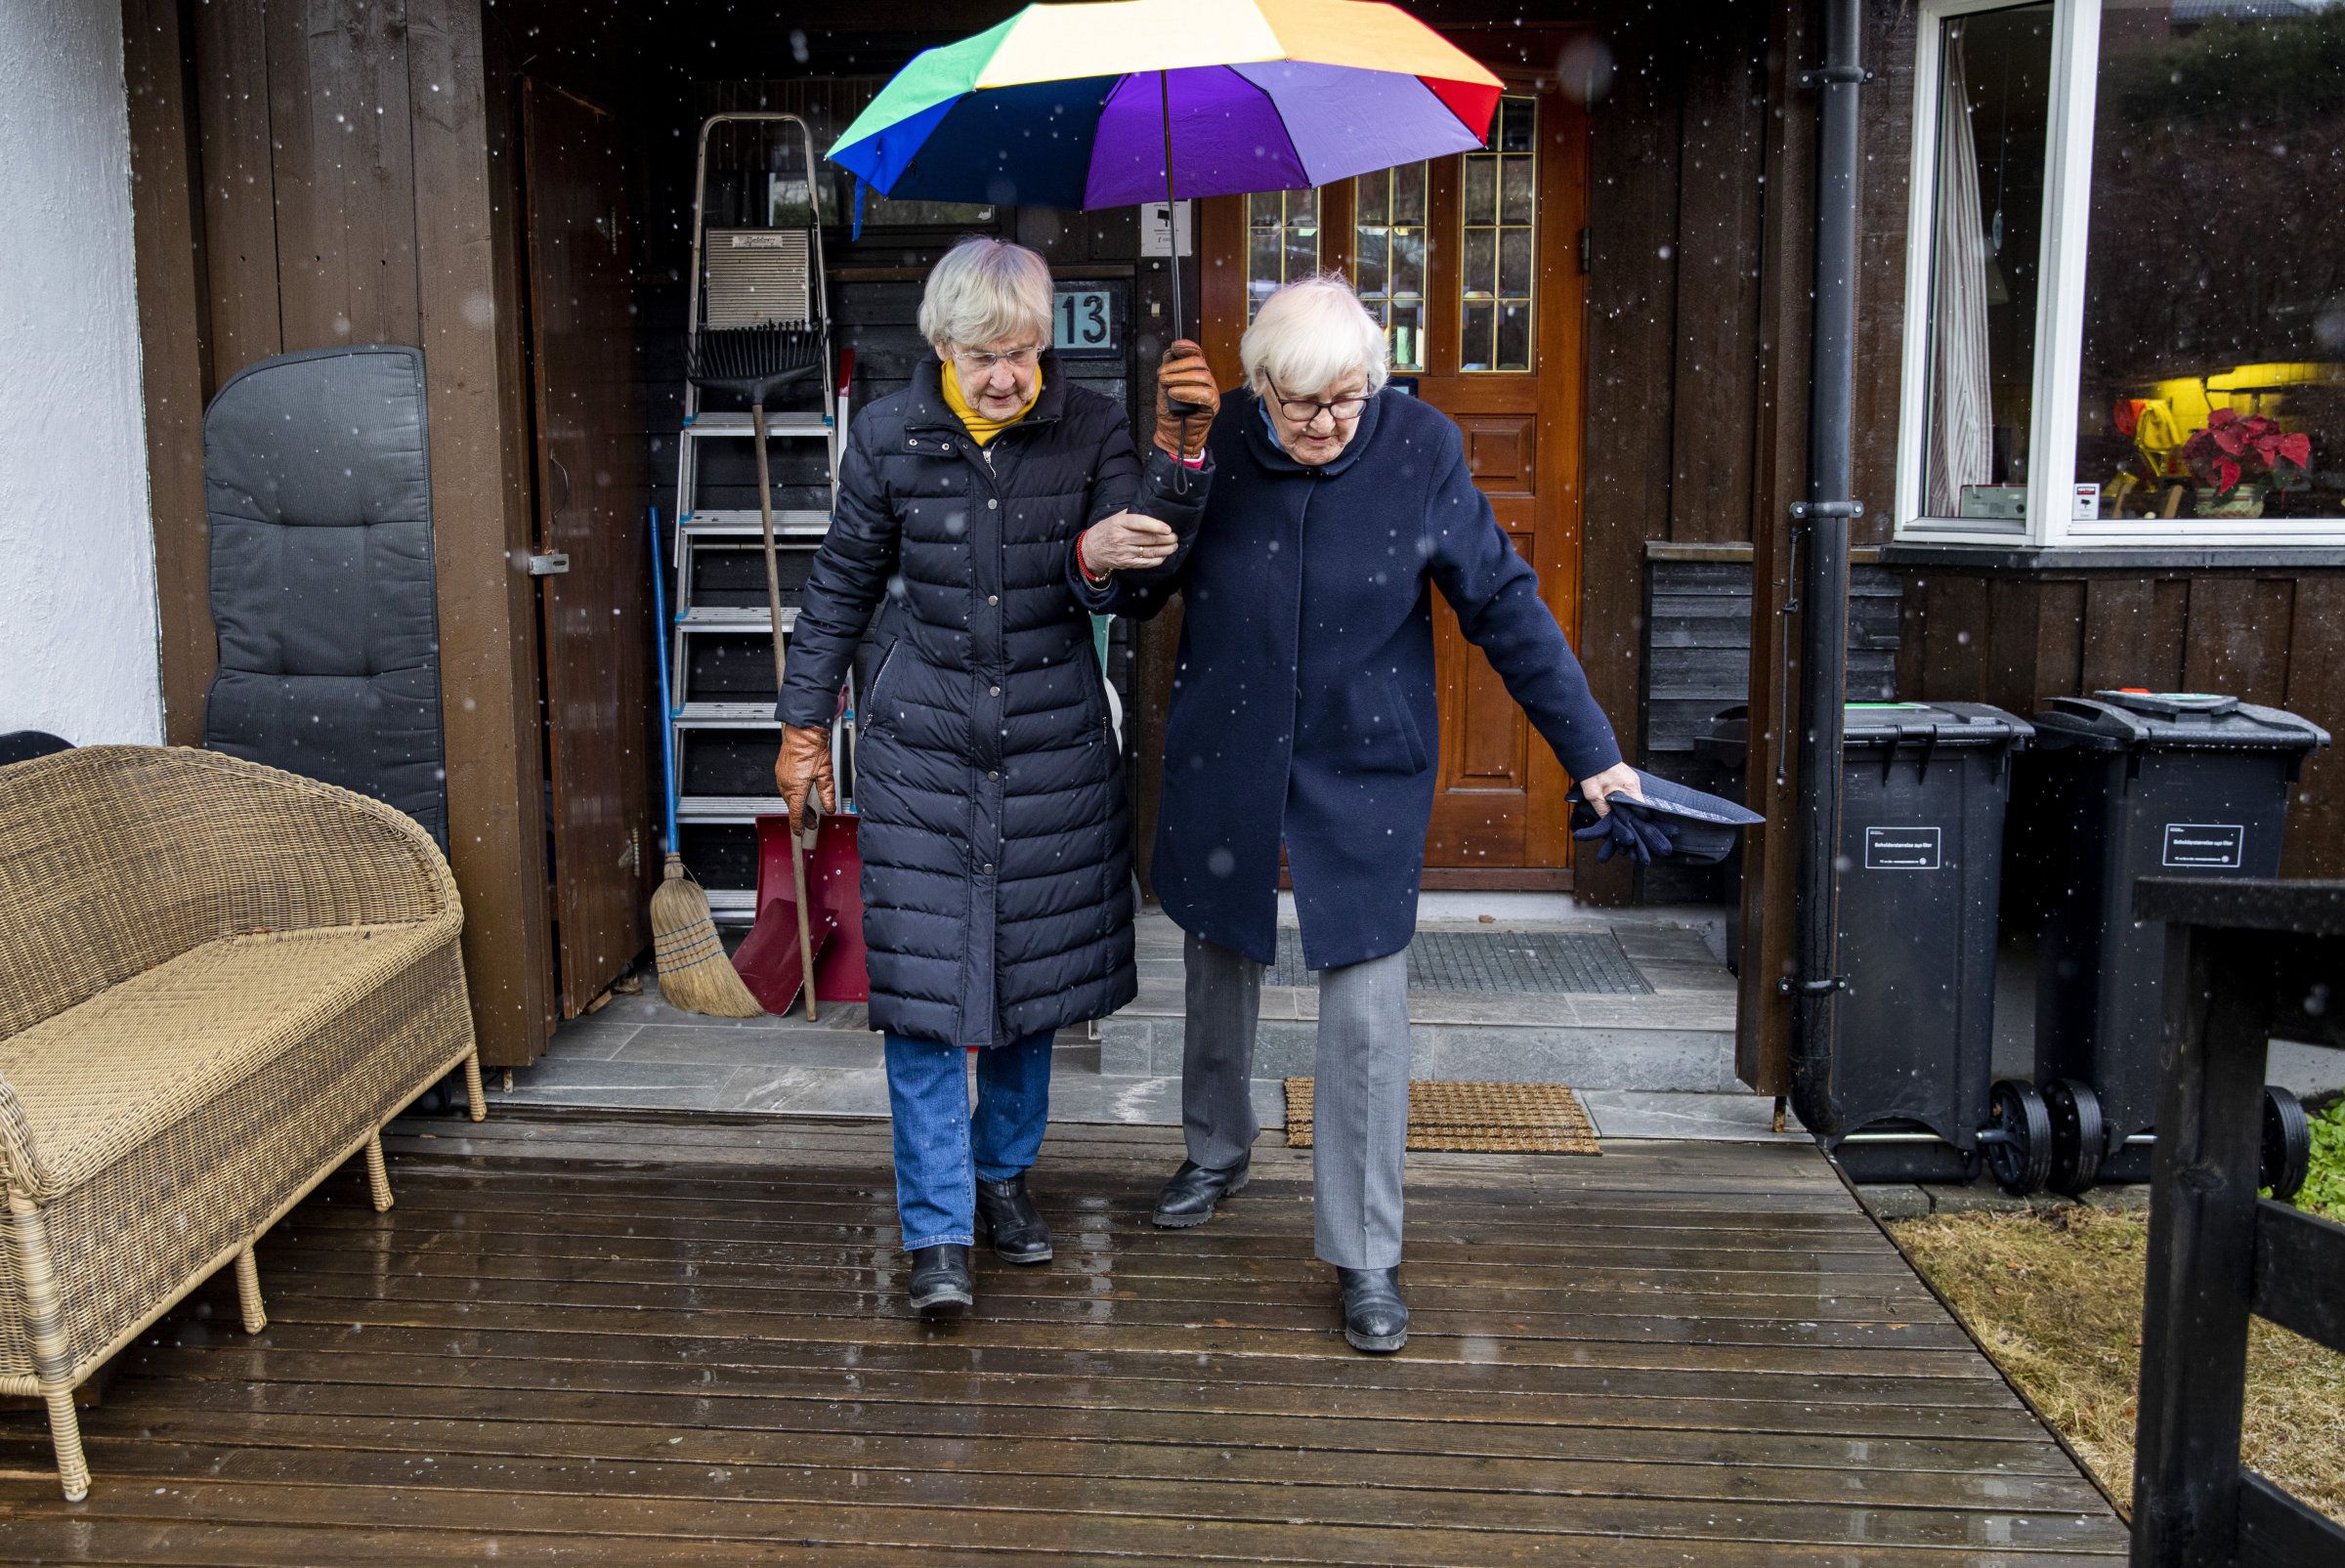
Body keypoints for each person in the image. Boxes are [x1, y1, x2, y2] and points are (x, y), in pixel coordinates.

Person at [1074, 275, 1642, 1353]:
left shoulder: (1420, 445)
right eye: (1300, 407)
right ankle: (1214, 1149)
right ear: (1261, 391)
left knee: (1369, 1005)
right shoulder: (1221, 433)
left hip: (1363, 756)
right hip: (1229, 740)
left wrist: (1595, 757)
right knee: (1218, 949)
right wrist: (1178, 468)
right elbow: (1136, 597)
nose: (1326, 425)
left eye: (1346, 401)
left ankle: (1366, 1251)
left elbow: (1504, 606)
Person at [773, 236, 1218, 1320]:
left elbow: (1138, 588)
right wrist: (799, 731)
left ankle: (1001, 1179)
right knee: (928, 1003)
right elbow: (838, 586)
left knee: (1028, 992)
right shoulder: (886, 437)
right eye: (984, 355)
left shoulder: (1093, 425)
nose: (1008, 377)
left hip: (1053, 747)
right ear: (940, 345)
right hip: (921, 747)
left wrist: (1178, 458)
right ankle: (937, 1232)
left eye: (1023, 353)